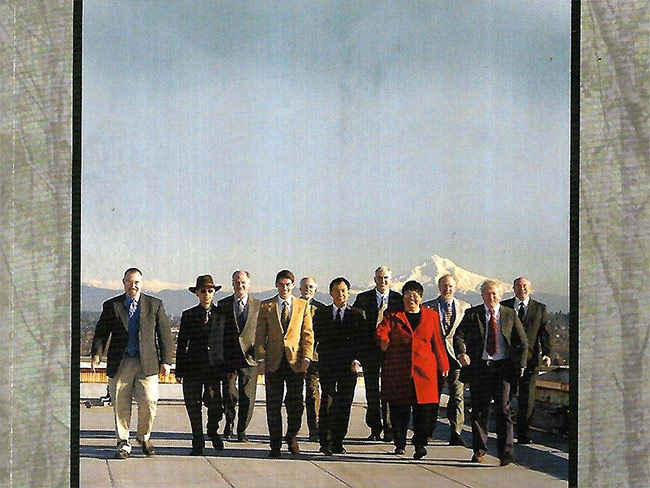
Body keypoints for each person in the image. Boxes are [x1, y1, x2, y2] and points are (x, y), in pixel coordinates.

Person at [91, 268, 174, 459]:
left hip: (148, 363)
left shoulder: (155, 305)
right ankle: (123, 443)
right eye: (129, 282)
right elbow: (101, 332)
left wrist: (167, 361)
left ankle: (143, 437)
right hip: (121, 362)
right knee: (121, 403)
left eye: (136, 282)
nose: (133, 285)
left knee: (149, 401)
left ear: (141, 284)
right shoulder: (112, 306)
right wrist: (97, 354)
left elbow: (164, 335)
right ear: (124, 283)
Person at [454, 280, 528, 466]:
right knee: (479, 411)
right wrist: (462, 352)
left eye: (495, 294)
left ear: (500, 296)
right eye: (488, 294)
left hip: (503, 369)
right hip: (481, 368)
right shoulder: (473, 315)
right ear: (482, 296)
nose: (491, 297)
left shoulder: (509, 314)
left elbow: (523, 341)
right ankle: (479, 450)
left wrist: (521, 364)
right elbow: (459, 335)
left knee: (504, 410)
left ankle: (506, 453)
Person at [376, 280, 449, 459]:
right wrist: (384, 341)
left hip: (424, 370)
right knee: (398, 409)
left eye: (415, 295)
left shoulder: (431, 316)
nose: (411, 299)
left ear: (421, 298)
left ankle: (420, 444)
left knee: (423, 411)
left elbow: (437, 341)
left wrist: (443, 364)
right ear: (403, 297)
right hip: (399, 370)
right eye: (408, 295)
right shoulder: (393, 314)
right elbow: (381, 331)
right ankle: (399, 442)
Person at [255, 270, 314, 458]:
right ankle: (274, 443)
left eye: (288, 284)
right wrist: (261, 359)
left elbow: (307, 334)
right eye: (281, 284)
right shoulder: (267, 306)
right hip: (273, 362)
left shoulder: (302, 306)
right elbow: (259, 336)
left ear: (293, 286)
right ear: (276, 285)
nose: (285, 288)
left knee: (295, 404)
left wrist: (307, 357)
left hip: (295, 362)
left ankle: (292, 436)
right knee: (273, 404)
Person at [312, 277, 365, 455]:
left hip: (348, 367)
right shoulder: (321, 314)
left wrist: (357, 361)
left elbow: (361, 342)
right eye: (337, 290)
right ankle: (324, 441)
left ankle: (338, 441)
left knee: (344, 404)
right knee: (327, 402)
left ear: (348, 293)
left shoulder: (357, 315)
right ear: (331, 293)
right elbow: (315, 338)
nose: (340, 294)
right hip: (327, 365)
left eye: (343, 291)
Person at [175, 275, 226, 455]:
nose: (206, 294)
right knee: (193, 404)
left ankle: (212, 430)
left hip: (214, 369)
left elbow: (228, 343)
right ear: (197, 293)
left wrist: (226, 368)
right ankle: (197, 440)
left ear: (214, 293)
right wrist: (179, 370)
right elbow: (182, 344)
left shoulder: (222, 315)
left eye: (210, 291)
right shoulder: (188, 315)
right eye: (203, 291)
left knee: (215, 405)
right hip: (192, 367)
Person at [352, 266, 402, 442]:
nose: (383, 281)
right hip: (369, 352)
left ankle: (389, 427)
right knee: (372, 392)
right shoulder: (363, 299)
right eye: (380, 278)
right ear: (375, 280)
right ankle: (375, 428)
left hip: (390, 352)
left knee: (389, 391)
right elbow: (357, 328)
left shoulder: (399, 300)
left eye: (386, 278)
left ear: (391, 279)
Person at [501, 276, 552, 444]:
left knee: (527, 399)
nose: (521, 289)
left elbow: (544, 333)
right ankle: (506, 431)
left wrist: (547, 353)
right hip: (507, 359)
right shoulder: (504, 307)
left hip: (531, 360)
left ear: (530, 289)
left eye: (525, 286)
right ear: (513, 288)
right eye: (518, 286)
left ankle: (523, 433)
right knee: (506, 397)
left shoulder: (539, 309)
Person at [422, 274, 470, 446]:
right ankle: (428, 431)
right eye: (444, 286)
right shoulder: (427, 307)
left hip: (456, 359)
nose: (447, 289)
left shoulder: (465, 307)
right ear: (438, 287)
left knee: (457, 396)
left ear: (455, 287)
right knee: (432, 397)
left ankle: (456, 432)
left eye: (450, 286)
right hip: (434, 359)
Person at [215, 270, 261, 442]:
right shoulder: (223, 305)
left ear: (248, 283)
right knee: (229, 392)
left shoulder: (258, 305)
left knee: (248, 396)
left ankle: (242, 429)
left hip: (250, 358)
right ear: (232, 283)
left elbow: (262, 332)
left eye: (243, 282)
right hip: (229, 357)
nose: (240, 285)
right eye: (236, 282)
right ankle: (229, 422)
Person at [299, 276, 328, 442]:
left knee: (313, 392)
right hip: (297, 357)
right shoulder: (294, 306)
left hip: (317, 358)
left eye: (311, 287)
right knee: (303, 395)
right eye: (305, 286)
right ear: (300, 289)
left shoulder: (321, 309)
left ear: (315, 289)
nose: (308, 289)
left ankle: (316, 429)